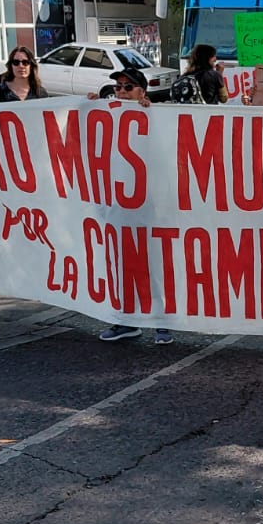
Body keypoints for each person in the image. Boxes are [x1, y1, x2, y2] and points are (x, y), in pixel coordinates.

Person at [93, 68, 172, 345]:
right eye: (118, 87)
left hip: (149, 205)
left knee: (153, 264)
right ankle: (123, 321)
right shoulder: (105, 115)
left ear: (142, 91)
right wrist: (86, 108)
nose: (122, 92)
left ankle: (162, 322)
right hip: (116, 205)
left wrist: (150, 113)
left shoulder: (154, 115)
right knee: (119, 263)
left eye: (128, 87)